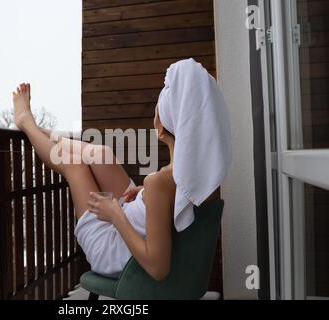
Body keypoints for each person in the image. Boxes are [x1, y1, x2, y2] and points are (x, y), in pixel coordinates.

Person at [12, 58, 231, 280]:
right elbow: (167, 205)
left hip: (113, 249)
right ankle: (41, 131)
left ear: (161, 127)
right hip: (131, 220)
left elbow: (158, 269)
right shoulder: (189, 172)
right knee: (101, 154)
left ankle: (26, 123)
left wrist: (115, 215)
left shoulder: (159, 183)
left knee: (75, 167)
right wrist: (145, 198)